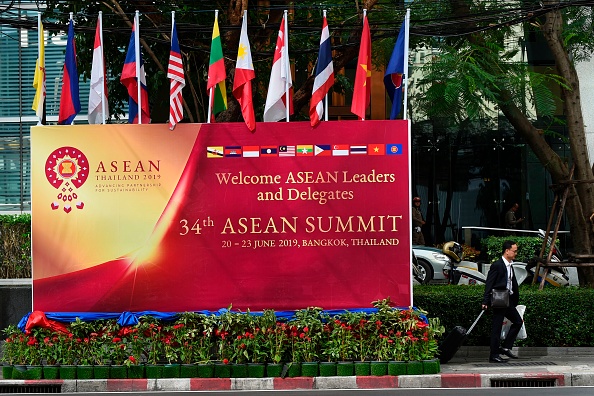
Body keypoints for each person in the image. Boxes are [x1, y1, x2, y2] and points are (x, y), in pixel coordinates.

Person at [482, 240, 524, 363]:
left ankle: (505, 347)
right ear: (507, 251)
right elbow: (489, 283)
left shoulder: (510, 265)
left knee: (518, 321)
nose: (515, 253)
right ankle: (494, 355)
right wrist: (485, 300)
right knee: (497, 327)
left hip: (508, 300)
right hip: (499, 299)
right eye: (514, 251)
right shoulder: (497, 265)